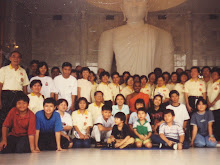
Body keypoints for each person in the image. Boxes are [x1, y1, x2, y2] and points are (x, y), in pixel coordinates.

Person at [92, 0, 185, 75]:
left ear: (147, 7)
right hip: (122, 92)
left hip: (150, 89)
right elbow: (103, 75)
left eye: (139, 0)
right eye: (128, 1)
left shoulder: (164, 35)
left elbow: (167, 76)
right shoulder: (109, 35)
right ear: (122, 7)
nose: (134, 5)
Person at [0, 51, 29, 135]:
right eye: (13, 56)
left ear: (20, 59)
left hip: (18, 95)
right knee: (4, 117)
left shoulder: (22, 71)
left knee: (17, 116)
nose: (16, 59)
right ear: (10, 58)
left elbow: (25, 87)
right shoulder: (3, 70)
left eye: (18, 57)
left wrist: (25, 101)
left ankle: (13, 136)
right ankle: (3, 138)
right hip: (6, 95)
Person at [207, 68, 220, 143]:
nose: (213, 75)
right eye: (212, 74)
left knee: (219, 123)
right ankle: (214, 138)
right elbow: (208, 95)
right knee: (212, 123)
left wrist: (214, 101)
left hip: (218, 106)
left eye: (215, 74)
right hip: (211, 107)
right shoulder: (209, 83)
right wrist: (208, 102)